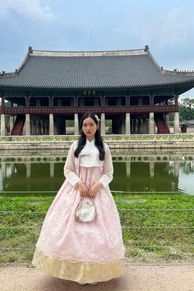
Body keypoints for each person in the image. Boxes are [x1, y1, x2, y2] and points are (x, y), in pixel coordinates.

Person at [32, 112, 125, 285]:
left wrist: (98, 185)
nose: (88, 128)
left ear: (97, 126)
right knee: (74, 232)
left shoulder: (104, 147)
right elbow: (67, 170)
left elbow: (109, 172)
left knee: (97, 233)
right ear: (81, 127)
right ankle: (77, 271)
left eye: (91, 125)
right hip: (76, 190)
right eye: (85, 125)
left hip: (98, 192)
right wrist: (79, 184)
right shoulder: (75, 146)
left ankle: (93, 272)